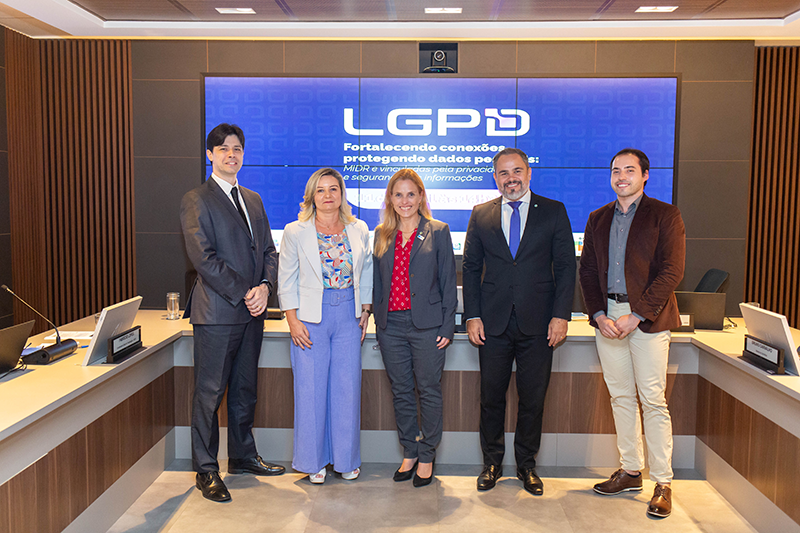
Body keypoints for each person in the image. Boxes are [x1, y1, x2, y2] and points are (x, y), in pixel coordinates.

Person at [180, 123, 285, 503]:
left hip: (252, 312)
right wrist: (246, 292)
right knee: (209, 395)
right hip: (217, 314)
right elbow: (204, 259)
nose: (231, 155)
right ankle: (206, 469)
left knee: (244, 391)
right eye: (223, 148)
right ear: (210, 155)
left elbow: (269, 251)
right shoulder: (197, 199)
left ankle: (242, 457)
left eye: (237, 148)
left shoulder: (253, 199)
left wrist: (266, 288)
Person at [462, 147, 576, 495]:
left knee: (533, 399)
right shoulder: (481, 214)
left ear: (528, 173)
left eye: (516, 171)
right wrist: (472, 315)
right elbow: (470, 268)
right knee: (491, 398)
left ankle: (527, 465)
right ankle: (492, 464)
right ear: (495, 177)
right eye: (503, 173)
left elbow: (566, 267)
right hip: (492, 323)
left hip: (539, 324)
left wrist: (560, 315)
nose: (510, 179)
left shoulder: (554, 211)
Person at [579, 148, 685, 518]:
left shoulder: (665, 215)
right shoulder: (597, 218)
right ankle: (630, 471)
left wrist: (637, 315)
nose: (621, 176)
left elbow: (672, 271)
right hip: (608, 319)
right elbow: (587, 271)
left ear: (645, 175)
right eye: (615, 170)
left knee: (653, 400)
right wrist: (598, 314)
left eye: (629, 170)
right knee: (621, 397)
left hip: (648, 319)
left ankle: (663, 482)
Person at [278, 168, 373, 484]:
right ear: (311, 196)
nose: (328, 195)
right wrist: (292, 319)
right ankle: (312, 461)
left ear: (342, 194)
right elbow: (286, 278)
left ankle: (346, 460)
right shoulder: (295, 231)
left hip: (349, 316)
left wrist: (366, 309)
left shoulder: (359, 229)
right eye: (320, 190)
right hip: (309, 319)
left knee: (347, 389)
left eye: (334, 189)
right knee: (311, 390)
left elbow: (367, 272)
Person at [372, 169, 457, 487]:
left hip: (428, 326)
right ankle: (409, 451)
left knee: (429, 391)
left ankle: (427, 455)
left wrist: (447, 326)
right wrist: (377, 322)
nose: (404, 201)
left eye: (411, 194)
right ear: (390, 199)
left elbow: (448, 281)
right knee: (401, 392)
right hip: (391, 326)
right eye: (398, 194)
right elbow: (377, 283)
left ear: (421, 196)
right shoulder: (382, 234)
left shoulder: (438, 230)